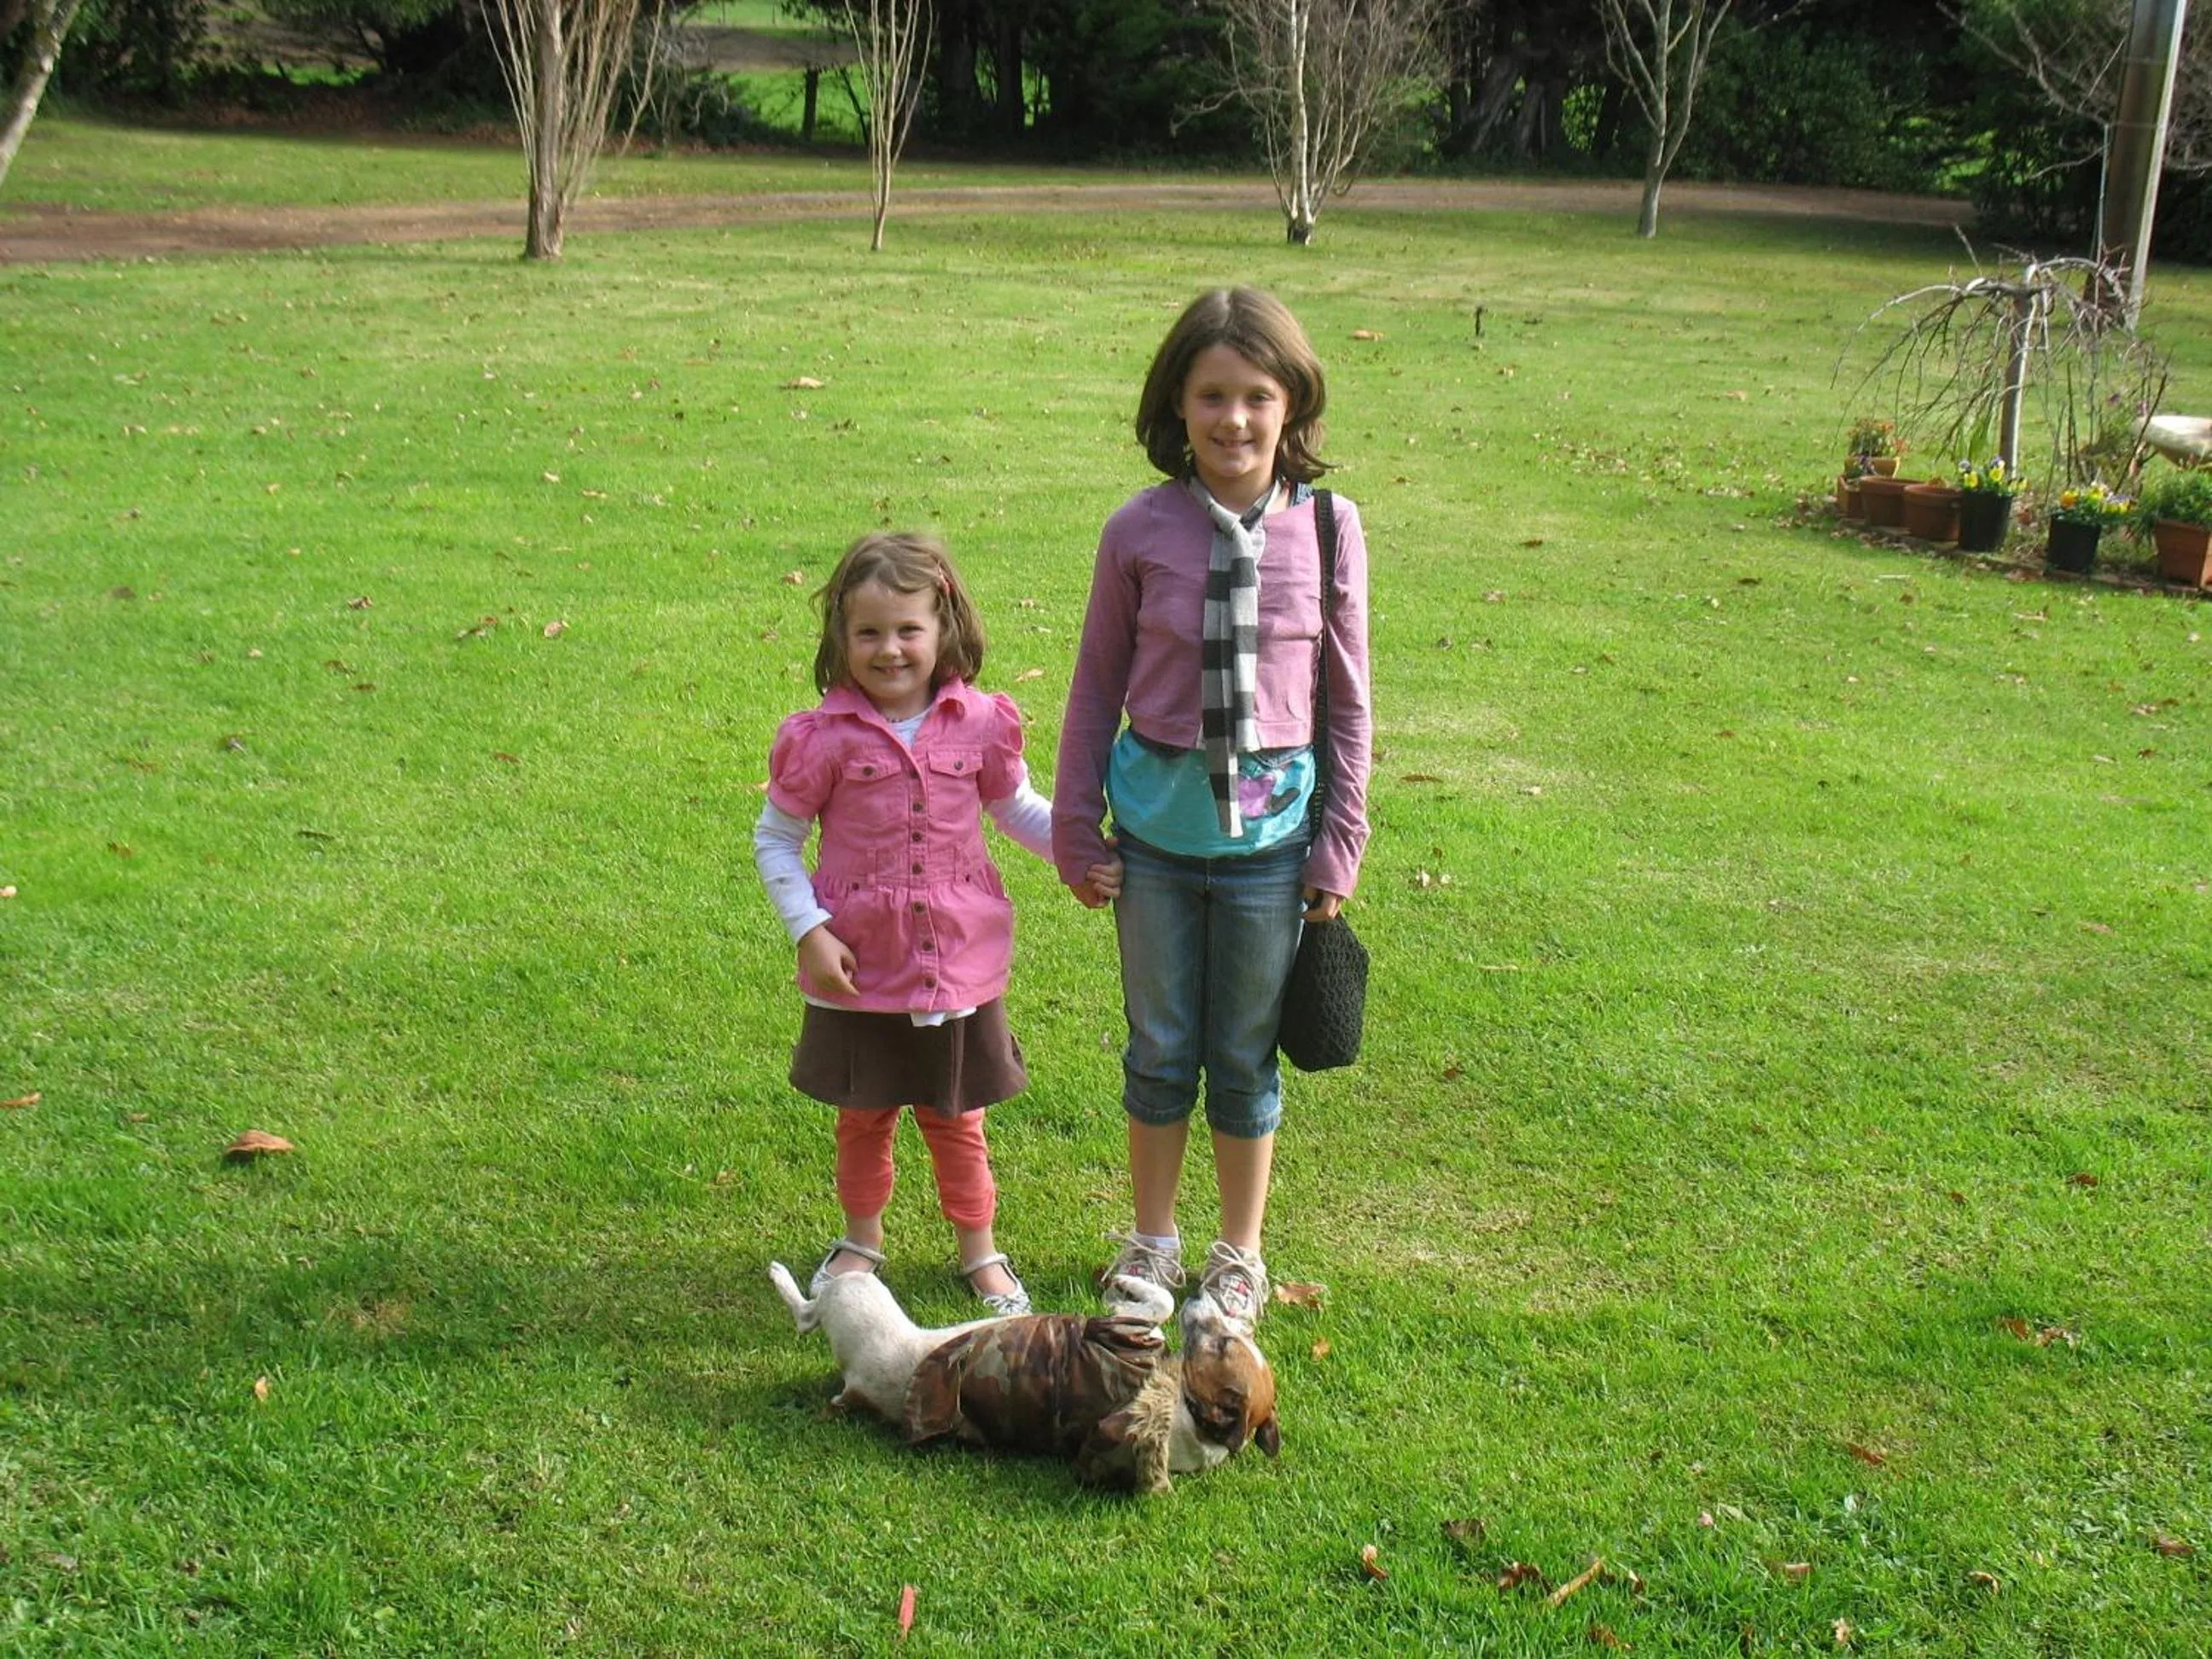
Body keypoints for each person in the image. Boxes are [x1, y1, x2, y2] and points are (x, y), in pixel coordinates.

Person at [1053, 287, 1372, 1329]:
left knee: (1241, 1052)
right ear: (1176, 408)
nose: (1233, 421)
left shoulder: (1330, 529)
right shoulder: (1137, 530)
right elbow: (1096, 685)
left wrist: (1338, 843)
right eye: (1211, 397)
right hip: (1149, 842)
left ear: (1292, 407)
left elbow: (1346, 699)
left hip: (1272, 850)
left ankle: (1240, 1253)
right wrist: (1072, 827)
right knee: (1158, 1046)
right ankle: (1152, 1239)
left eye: (1255, 398)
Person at [757, 532, 1121, 1317]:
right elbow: (776, 839)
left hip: (954, 964)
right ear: (840, 639)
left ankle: (979, 1252)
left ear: (944, 626)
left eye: (908, 630)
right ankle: (861, 1241)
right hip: (857, 964)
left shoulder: (980, 723)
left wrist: (1082, 853)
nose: (889, 650)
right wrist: (809, 929)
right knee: (864, 1117)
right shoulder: (821, 739)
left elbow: (1015, 809)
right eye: (868, 633)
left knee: (957, 1119)